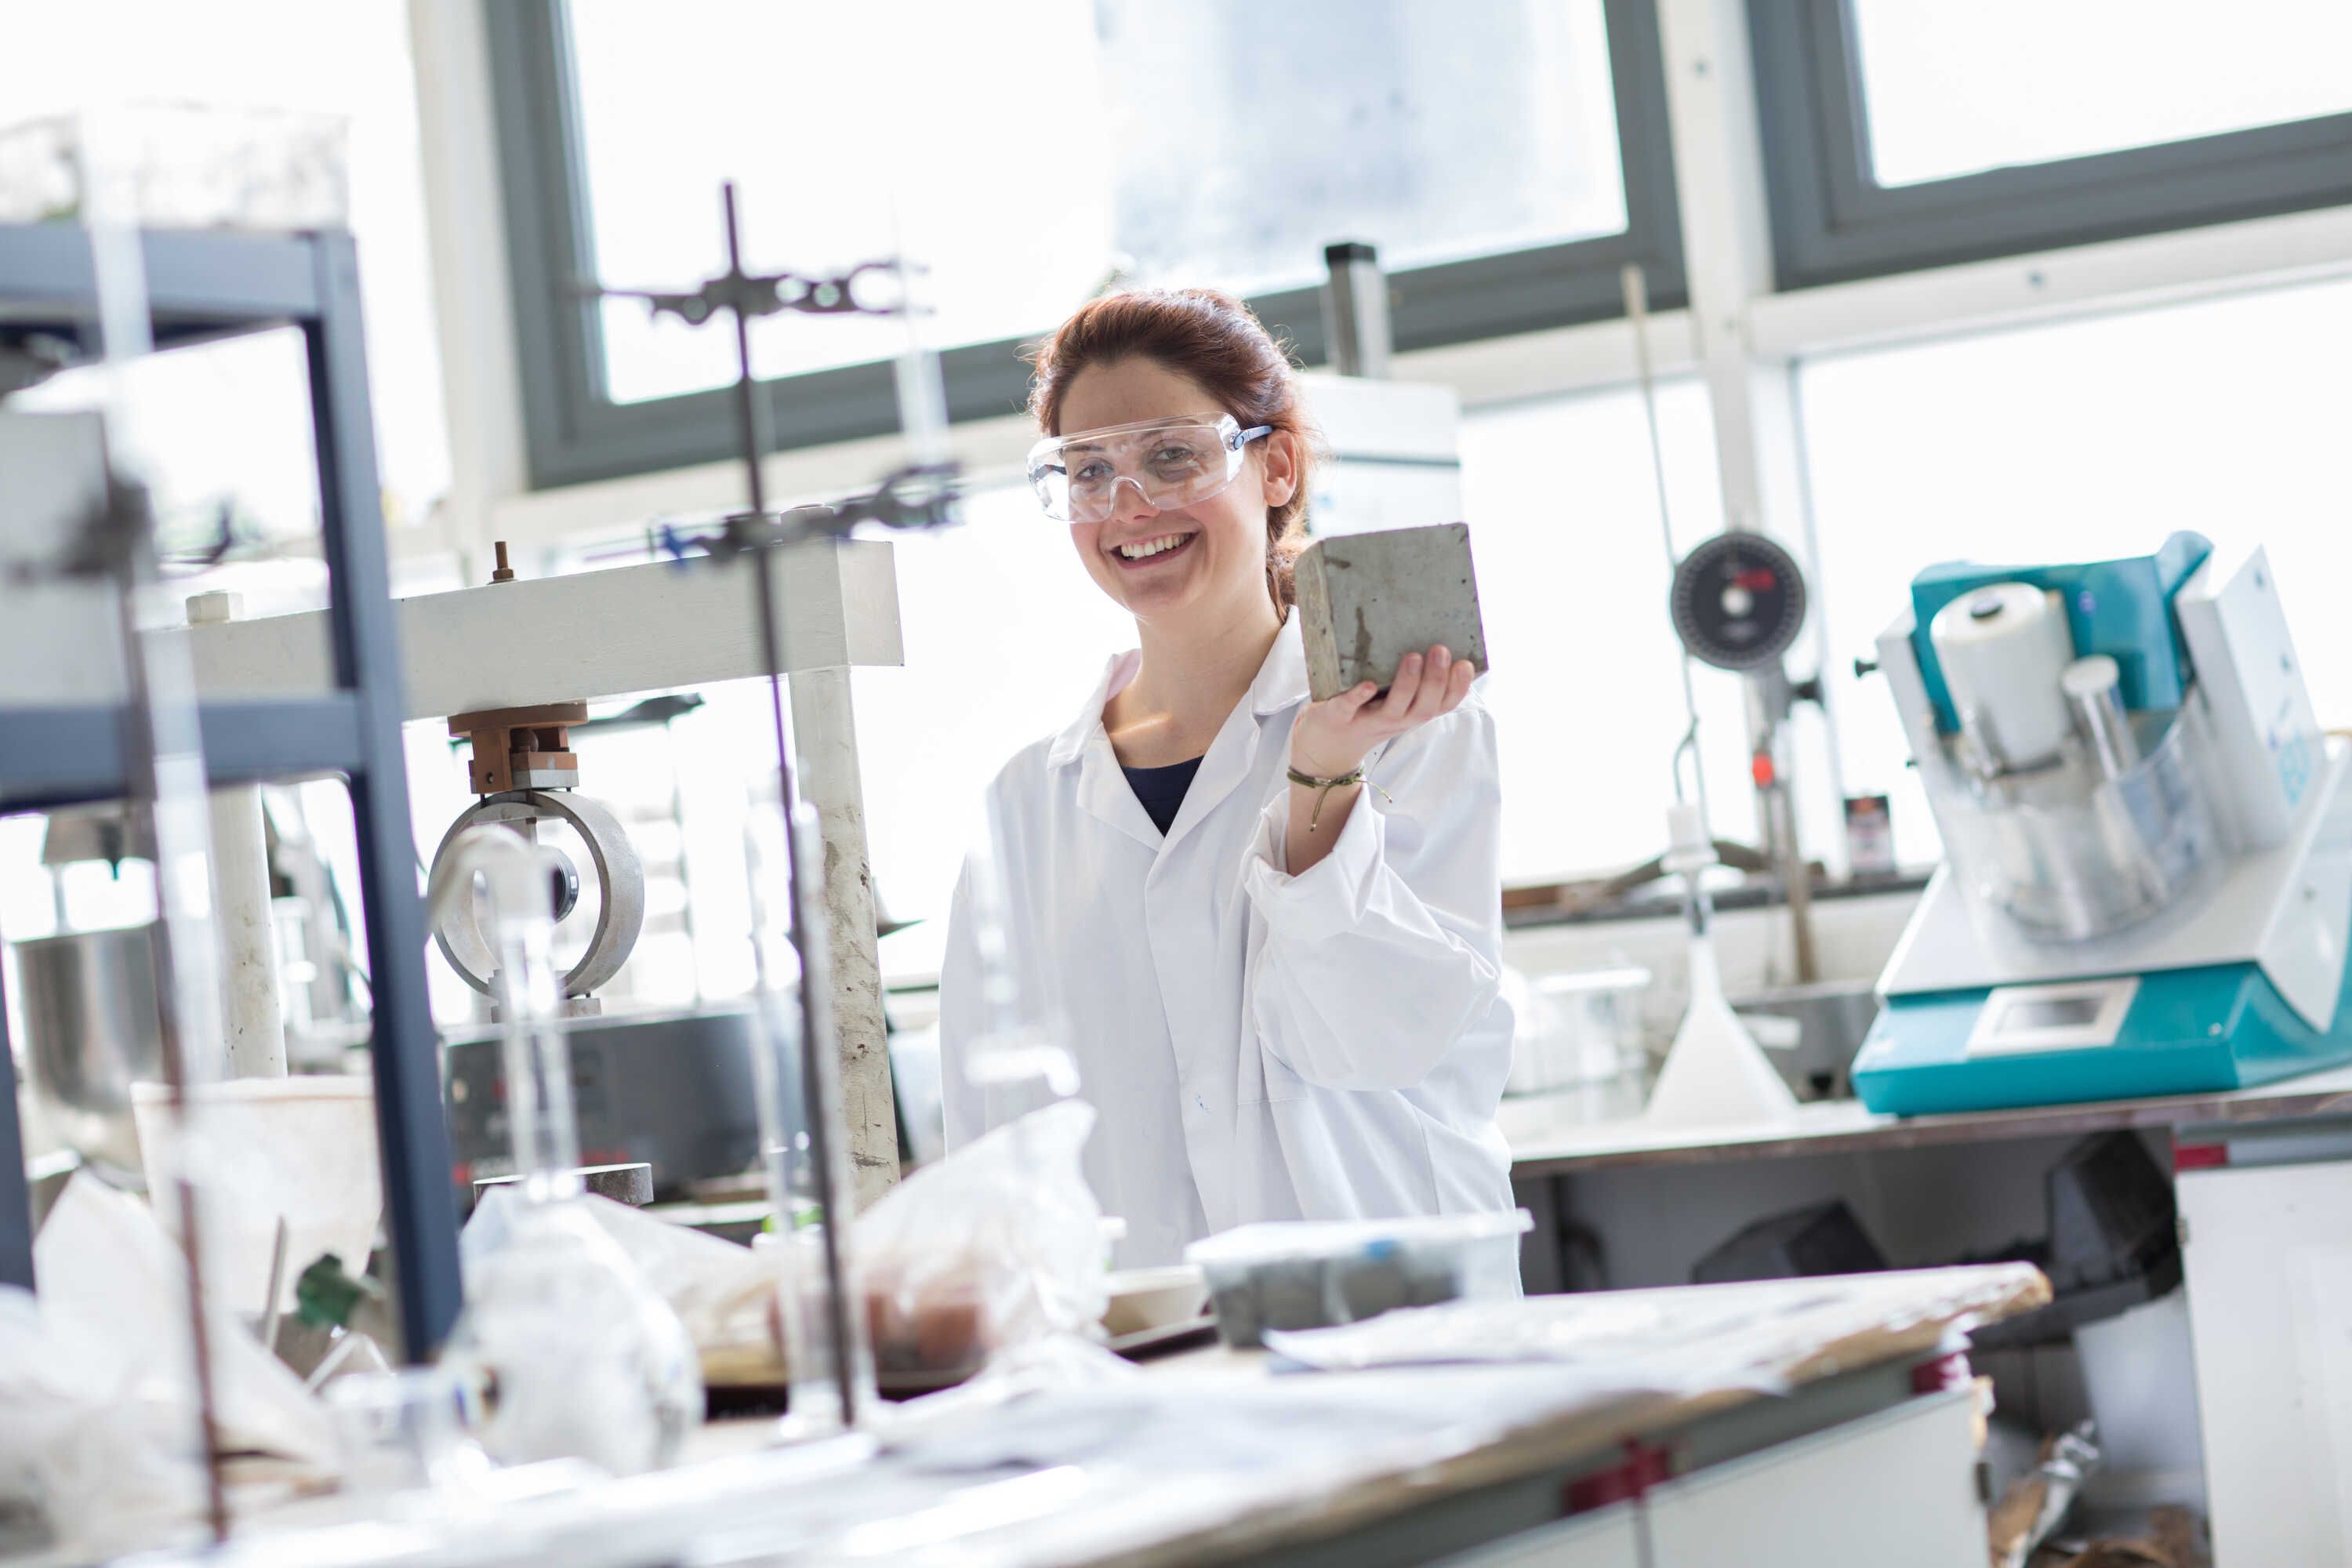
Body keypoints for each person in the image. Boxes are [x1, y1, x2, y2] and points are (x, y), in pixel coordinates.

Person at [937, 287, 1515, 1271]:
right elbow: (992, 1135)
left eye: (1172, 454)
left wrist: (1322, 777)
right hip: (1139, 1351)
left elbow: (1381, 1041)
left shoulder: (1414, 733)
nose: (1129, 506)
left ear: (1275, 463)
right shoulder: (1026, 804)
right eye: (1088, 471)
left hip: (1393, 1320)